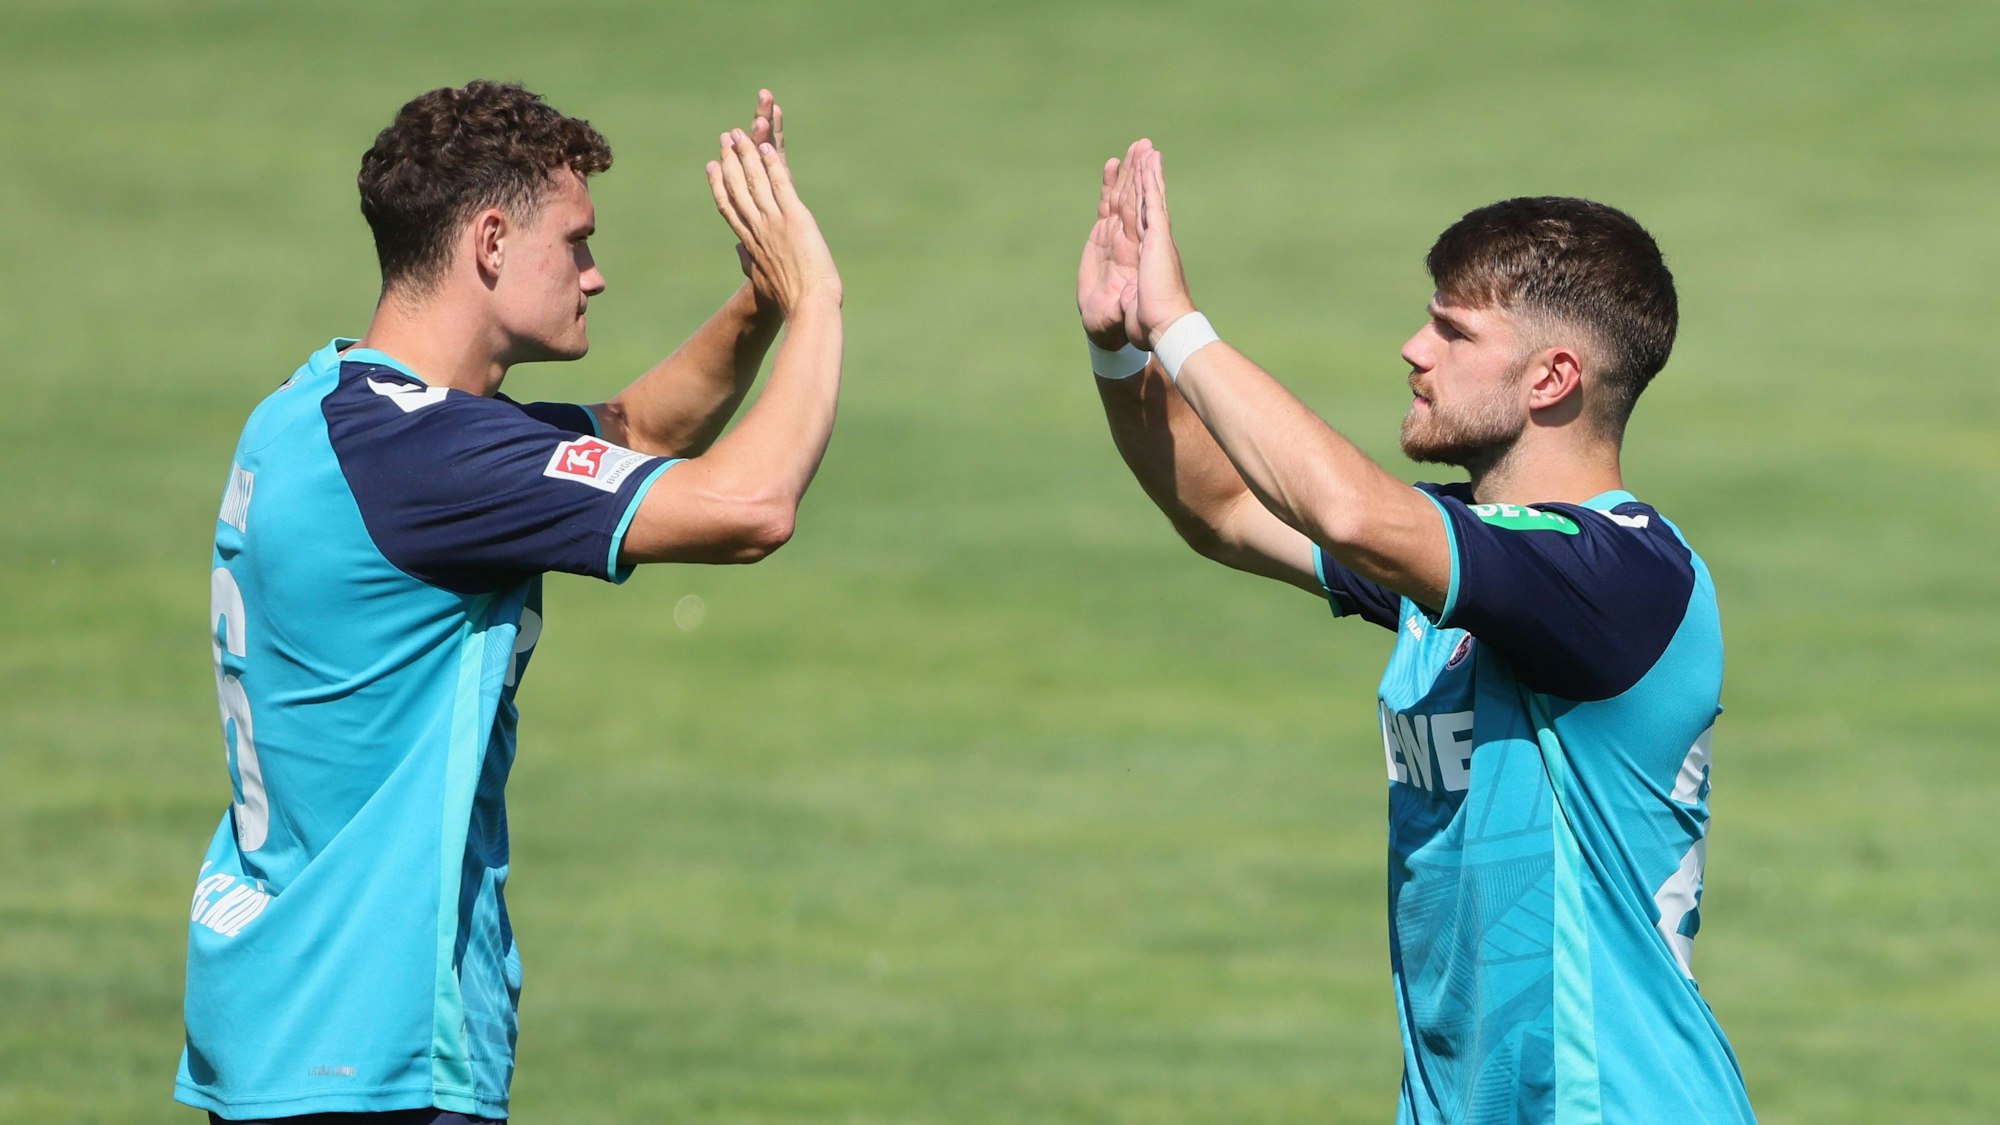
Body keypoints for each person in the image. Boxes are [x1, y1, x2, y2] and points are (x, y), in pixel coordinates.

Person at [178, 82, 842, 1122]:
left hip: (278, 1013)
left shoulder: (324, 413)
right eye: (575, 242)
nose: (597, 273)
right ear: (490, 241)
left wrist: (760, 300)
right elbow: (751, 507)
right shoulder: (428, 461)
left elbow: (636, 435)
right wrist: (821, 301)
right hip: (370, 1050)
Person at [1077, 141, 1755, 1123]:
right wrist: (1122, 350)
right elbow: (1222, 508)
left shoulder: (1615, 575)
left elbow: (1346, 512)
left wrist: (1181, 323)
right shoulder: (1463, 565)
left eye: (1450, 331)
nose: (1411, 347)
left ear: (1550, 377)